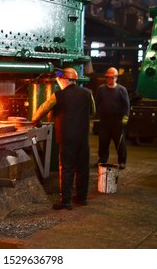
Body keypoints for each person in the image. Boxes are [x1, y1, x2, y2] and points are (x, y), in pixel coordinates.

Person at [32, 68, 96, 210]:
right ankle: (81, 198)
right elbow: (93, 111)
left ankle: (65, 201)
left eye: (59, 80)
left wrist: (35, 120)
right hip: (83, 138)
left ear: (65, 79)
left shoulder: (58, 95)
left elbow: (43, 109)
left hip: (67, 138)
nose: (59, 83)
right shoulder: (87, 93)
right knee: (82, 168)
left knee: (66, 168)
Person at [95, 67, 130, 170]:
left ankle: (122, 161)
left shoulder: (121, 90)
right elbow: (97, 102)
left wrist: (126, 116)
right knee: (103, 141)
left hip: (117, 120)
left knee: (119, 142)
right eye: (107, 78)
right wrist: (96, 114)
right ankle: (102, 159)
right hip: (105, 120)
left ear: (116, 78)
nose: (109, 79)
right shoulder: (101, 89)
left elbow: (126, 104)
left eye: (111, 78)